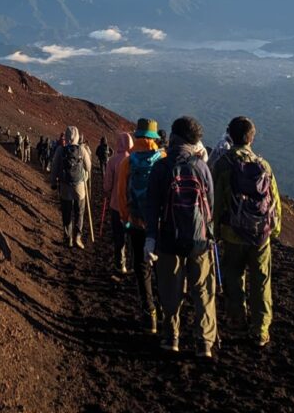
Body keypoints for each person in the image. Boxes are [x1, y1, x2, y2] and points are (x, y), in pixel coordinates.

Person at [145, 115, 217, 358]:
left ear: (174, 138)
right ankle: (204, 342)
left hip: (168, 238)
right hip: (199, 240)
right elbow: (210, 206)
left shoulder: (162, 167)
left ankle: (171, 336)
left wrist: (150, 238)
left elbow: (152, 205)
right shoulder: (201, 167)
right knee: (203, 291)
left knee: (169, 288)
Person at [213, 116, 281, 348]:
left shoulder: (223, 164)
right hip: (260, 235)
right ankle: (260, 330)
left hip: (233, 233)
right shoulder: (264, 165)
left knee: (233, 276)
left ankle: (237, 319)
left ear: (230, 136)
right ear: (252, 138)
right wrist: (275, 230)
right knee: (261, 281)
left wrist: (215, 232)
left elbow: (216, 202)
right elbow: (274, 202)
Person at [117, 118, 165, 334]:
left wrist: (126, 218)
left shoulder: (128, 162)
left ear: (137, 137)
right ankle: (165, 308)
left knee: (142, 268)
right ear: (154, 139)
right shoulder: (163, 159)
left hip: (137, 223)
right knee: (162, 267)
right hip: (161, 224)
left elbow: (121, 193)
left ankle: (149, 313)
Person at [50, 125, 92, 248]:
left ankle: (67, 237)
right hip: (79, 186)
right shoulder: (82, 150)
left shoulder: (60, 150)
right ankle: (77, 237)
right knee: (80, 212)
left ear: (67, 137)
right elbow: (88, 167)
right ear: (78, 136)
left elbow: (54, 167)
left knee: (66, 212)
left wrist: (53, 182)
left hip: (64, 186)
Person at [103, 130, 133, 275]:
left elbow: (107, 186)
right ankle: (134, 264)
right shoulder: (135, 160)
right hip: (132, 207)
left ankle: (120, 264)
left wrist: (108, 191)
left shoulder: (113, 161)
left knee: (118, 236)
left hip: (116, 205)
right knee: (132, 236)